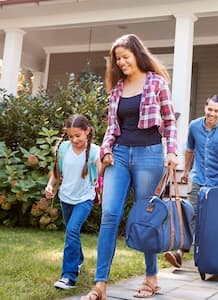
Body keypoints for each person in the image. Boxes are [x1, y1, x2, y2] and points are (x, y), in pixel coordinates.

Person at [81, 34, 178, 300]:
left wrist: (171, 152)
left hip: (149, 154)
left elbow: (169, 121)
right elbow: (112, 128)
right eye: (117, 59)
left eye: (125, 57)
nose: (121, 62)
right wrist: (106, 150)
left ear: (137, 54)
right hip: (120, 155)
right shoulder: (117, 89)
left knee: (146, 217)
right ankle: (100, 284)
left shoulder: (156, 82)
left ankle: (151, 277)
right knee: (110, 215)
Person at [164, 95, 218, 268]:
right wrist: (186, 170)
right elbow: (189, 150)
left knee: (212, 220)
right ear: (205, 108)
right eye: (210, 109)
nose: (212, 113)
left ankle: (208, 257)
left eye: (216, 110)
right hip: (197, 178)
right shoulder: (194, 126)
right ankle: (180, 252)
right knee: (190, 214)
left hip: (217, 182)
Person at [45, 114, 102, 290]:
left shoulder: (94, 151)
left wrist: (104, 166)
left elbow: (102, 173)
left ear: (87, 131)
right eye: (71, 136)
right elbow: (56, 171)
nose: (74, 139)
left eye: (78, 135)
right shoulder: (63, 148)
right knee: (72, 233)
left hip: (85, 198)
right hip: (65, 197)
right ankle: (78, 259)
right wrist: (49, 186)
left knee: (71, 230)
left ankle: (68, 276)